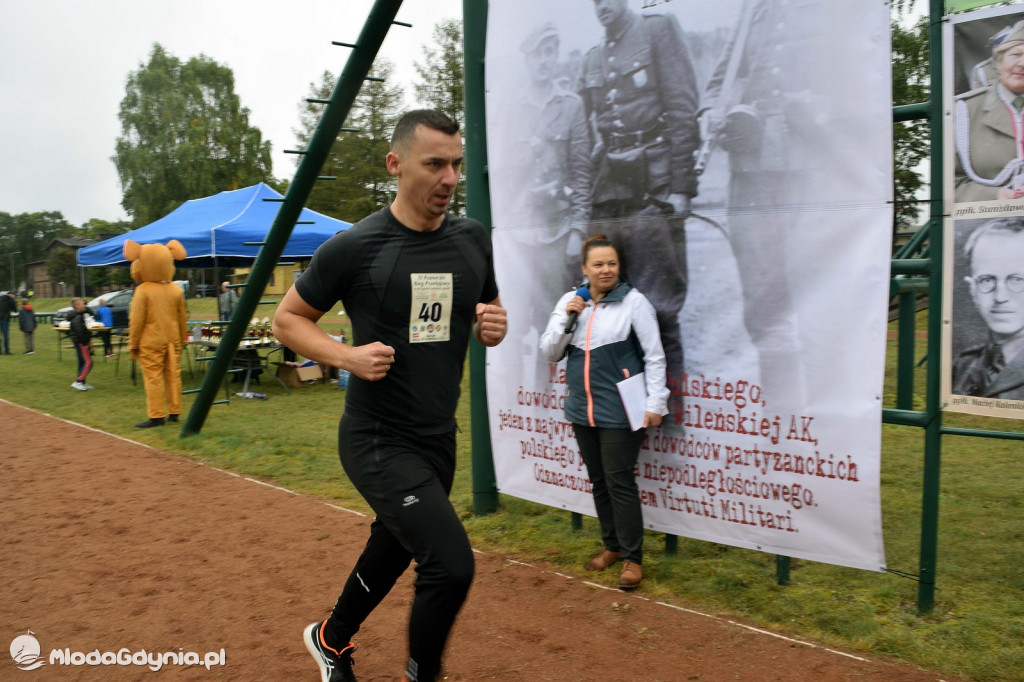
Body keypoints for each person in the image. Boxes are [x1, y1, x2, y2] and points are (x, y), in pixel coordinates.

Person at [273, 110, 508, 682]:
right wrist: (346, 356)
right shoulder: (354, 247)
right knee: (450, 566)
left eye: (455, 165)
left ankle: (329, 639)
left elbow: (486, 309)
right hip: (376, 438)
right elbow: (287, 321)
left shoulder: (474, 239)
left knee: (395, 547)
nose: (450, 179)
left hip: (436, 438)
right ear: (395, 165)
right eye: (434, 164)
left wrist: (491, 324)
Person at [576, 0, 698, 394]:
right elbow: (589, 131)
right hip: (610, 192)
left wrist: (681, 187)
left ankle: (672, 412)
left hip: (656, 183)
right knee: (610, 307)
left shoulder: (658, 30)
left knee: (660, 308)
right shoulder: (593, 57)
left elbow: (682, 107)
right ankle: (625, 411)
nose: (603, 6)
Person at [539, 234, 668, 590]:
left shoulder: (634, 302)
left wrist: (656, 403)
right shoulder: (570, 301)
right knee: (599, 481)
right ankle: (611, 545)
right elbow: (550, 352)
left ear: (619, 267)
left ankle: (632, 559)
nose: (606, 270)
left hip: (623, 409)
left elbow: (655, 356)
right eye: (598, 264)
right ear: (584, 269)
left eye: (611, 263)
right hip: (582, 408)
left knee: (619, 480)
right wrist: (569, 318)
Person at [952, 217, 1024, 398]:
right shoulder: (962, 366)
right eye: (987, 280)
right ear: (972, 288)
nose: (1000, 297)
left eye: (1017, 280)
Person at [955, 20, 1024, 202]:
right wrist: (994, 196)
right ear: (998, 63)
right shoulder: (966, 111)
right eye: (1016, 54)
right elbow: (951, 183)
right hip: (989, 225)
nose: (1022, 63)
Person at [125, 240, 189, 428]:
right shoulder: (176, 290)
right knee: (173, 376)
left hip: (150, 341)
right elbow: (181, 318)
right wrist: (181, 340)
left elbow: (137, 321)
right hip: (172, 340)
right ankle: (175, 411)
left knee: (153, 378)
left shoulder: (142, 291)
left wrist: (133, 343)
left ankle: (156, 416)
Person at [67, 298, 94, 390]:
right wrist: (86, 343)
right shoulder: (77, 317)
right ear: (77, 306)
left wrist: (89, 340)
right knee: (88, 363)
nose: (84, 306)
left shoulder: (79, 315)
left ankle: (82, 382)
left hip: (80, 342)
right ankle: (78, 381)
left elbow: (90, 311)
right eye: (82, 304)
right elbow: (80, 332)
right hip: (81, 343)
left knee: (82, 362)